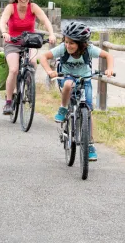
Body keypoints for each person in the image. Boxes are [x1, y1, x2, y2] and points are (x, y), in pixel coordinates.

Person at [38, 20, 114, 162]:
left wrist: (109, 69)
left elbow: (108, 56)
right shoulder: (62, 49)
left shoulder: (89, 50)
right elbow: (44, 57)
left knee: (88, 111)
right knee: (68, 83)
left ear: (81, 44)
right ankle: (63, 108)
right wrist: (49, 71)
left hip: (85, 80)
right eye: (66, 42)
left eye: (72, 43)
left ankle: (90, 144)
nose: (68, 46)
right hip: (66, 76)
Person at [0, 0, 57, 115]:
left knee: (32, 63)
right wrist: (4, 32)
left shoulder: (33, 7)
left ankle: (29, 83)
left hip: (29, 41)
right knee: (13, 69)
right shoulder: (10, 8)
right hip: (12, 42)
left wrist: (51, 33)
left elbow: (46, 21)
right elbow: (2, 22)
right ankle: (8, 102)